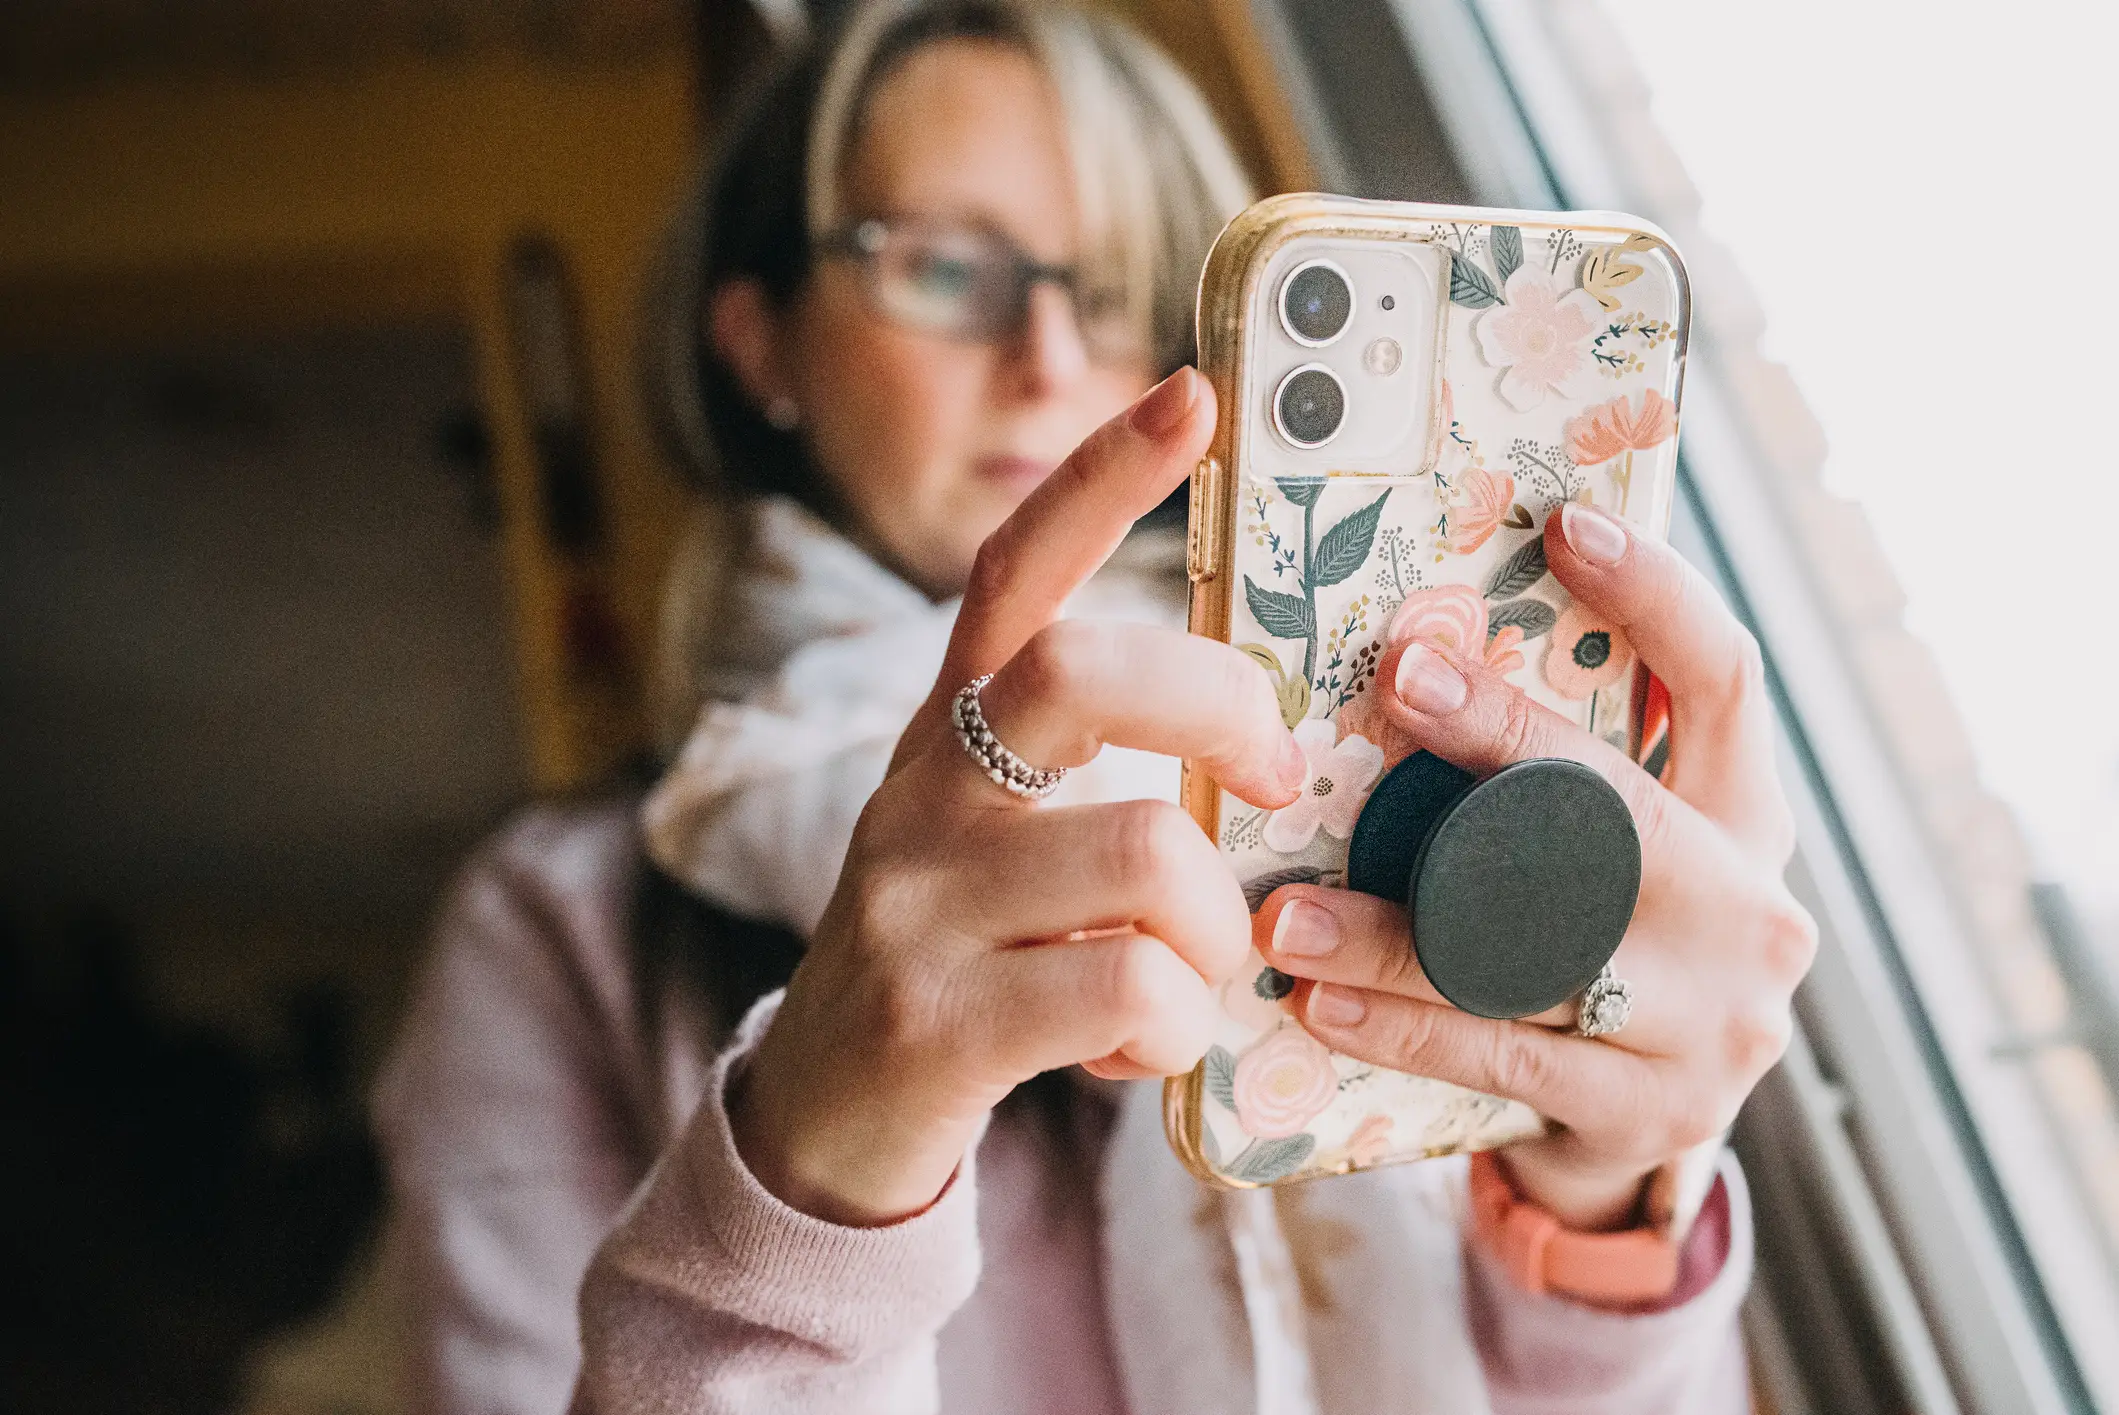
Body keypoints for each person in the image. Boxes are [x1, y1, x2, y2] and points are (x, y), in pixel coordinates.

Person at [374, 2, 1814, 1412]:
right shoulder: (558, 927)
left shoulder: (1368, 777)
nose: (1050, 358)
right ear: (759, 345)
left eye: (1114, 285)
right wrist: (808, 1181)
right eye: (944, 268)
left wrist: (1591, 1185)